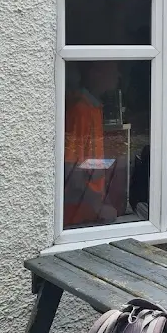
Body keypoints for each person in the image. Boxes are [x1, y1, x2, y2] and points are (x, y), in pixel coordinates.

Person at [63, 62, 120, 227]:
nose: (118, 76)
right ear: (96, 74)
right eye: (113, 70)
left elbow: (88, 160)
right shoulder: (81, 110)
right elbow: (70, 167)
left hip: (90, 208)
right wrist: (98, 207)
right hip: (78, 214)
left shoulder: (94, 107)